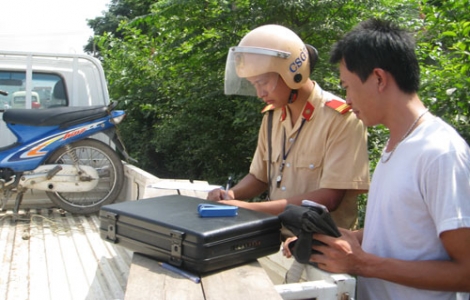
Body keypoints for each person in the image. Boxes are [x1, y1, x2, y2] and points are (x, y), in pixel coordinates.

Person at [307, 18, 470, 299]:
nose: (346, 99)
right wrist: (342, 240)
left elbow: (466, 272)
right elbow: (406, 233)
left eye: (347, 86)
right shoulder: (395, 145)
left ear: (379, 79)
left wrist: (362, 263)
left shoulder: (440, 152)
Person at [207, 24, 370, 282]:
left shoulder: (341, 119)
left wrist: (249, 208)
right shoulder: (272, 117)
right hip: (276, 246)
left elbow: (329, 198)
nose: (260, 93)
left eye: (263, 83)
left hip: (323, 258)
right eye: (253, 84)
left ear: (293, 73)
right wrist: (232, 195)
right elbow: (259, 177)